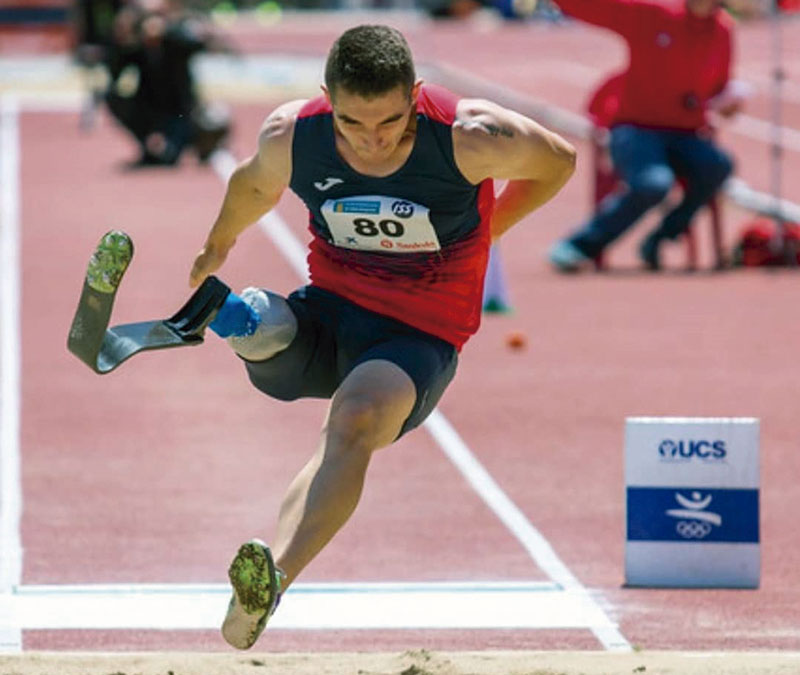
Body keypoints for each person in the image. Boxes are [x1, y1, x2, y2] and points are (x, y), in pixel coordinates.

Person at [187, 24, 576, 649]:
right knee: (265, 324)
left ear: (416, 96)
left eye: (390, 123)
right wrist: (217, 243)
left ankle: (271, 580)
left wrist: (492, 228)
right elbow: (254, 184)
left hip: (417, 334)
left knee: (356, 419)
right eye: (351, 124)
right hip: (329, 311)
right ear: (326, 99)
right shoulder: (296, 133)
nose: (370, 141)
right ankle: (238, 316)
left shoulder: (470, 136)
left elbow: (559, 160)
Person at [547, 0, 744, 271]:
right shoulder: (654, 15)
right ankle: (581, 244)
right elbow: (597, 8)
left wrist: (728, 103)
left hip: (686, 132)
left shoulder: (723, 30)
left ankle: (661, 237)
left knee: (718, 165)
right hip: (635, 129)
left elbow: (718, 86)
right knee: (653, 183)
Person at [103, 0, 233, 166]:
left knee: (172, 153)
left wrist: (170, 32)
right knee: (112, 96)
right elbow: (115, 73)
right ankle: (147, 143)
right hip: (152, 112)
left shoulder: (176, 43)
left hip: (181, 113)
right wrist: (120, 41)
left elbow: (201, 44)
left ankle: (202, 145)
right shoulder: (137, 50)